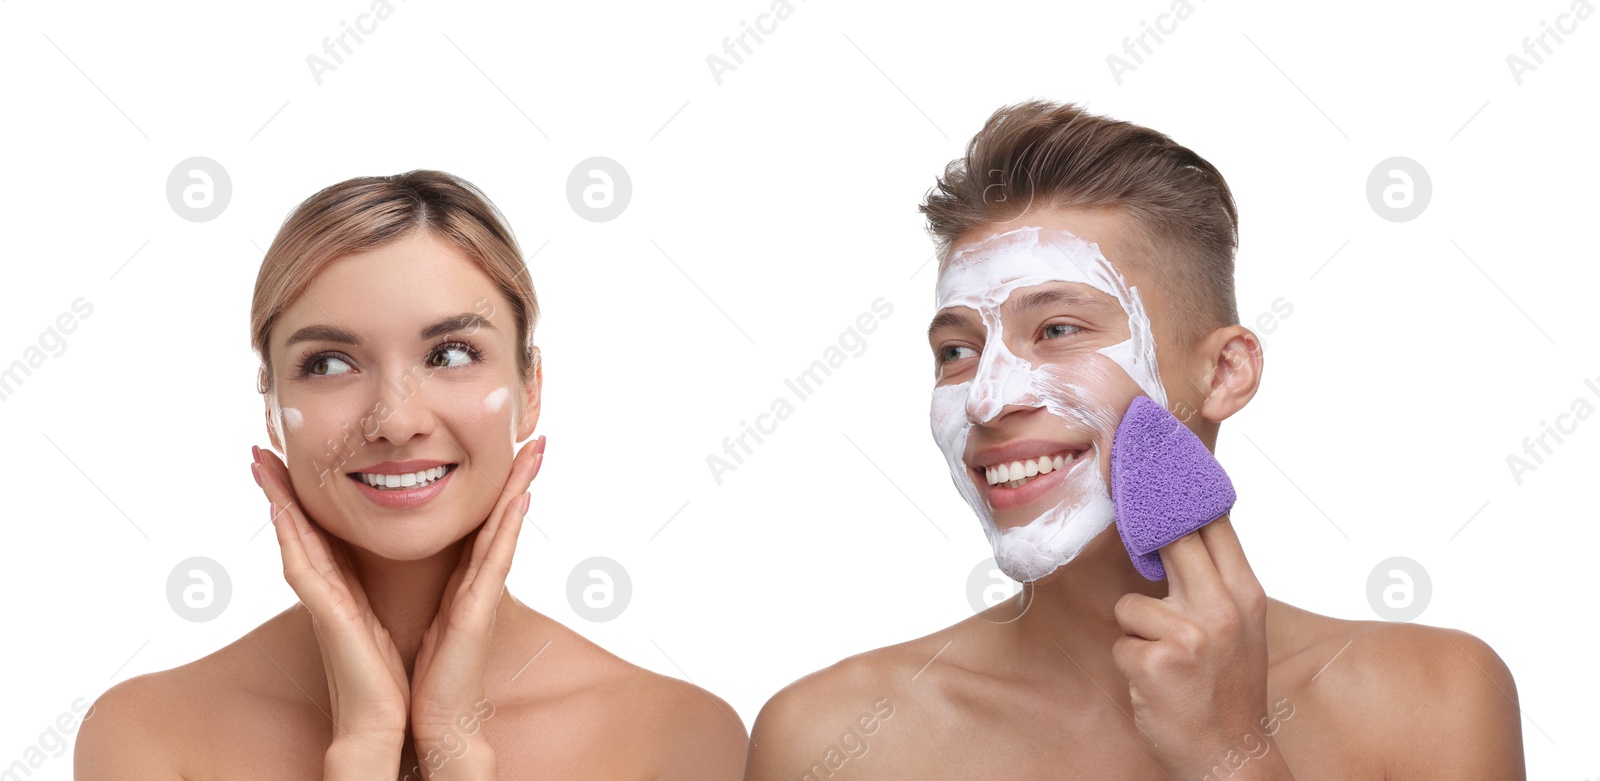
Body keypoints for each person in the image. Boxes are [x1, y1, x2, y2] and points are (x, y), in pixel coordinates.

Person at [745, 101, 1525, 779]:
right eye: (956, 349)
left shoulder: (1435, 697)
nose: (986, 397)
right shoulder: (825, 738)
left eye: (1057, 328)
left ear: (1224, 371)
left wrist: (1234, 753)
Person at [75, 170, 748, 779]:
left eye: (451, 353)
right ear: (272, 409)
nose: (396, 421)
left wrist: (456, 744)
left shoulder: (678, 737)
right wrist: (365, 745)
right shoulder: (147, 735)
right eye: (331, 364)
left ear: (530, 386)